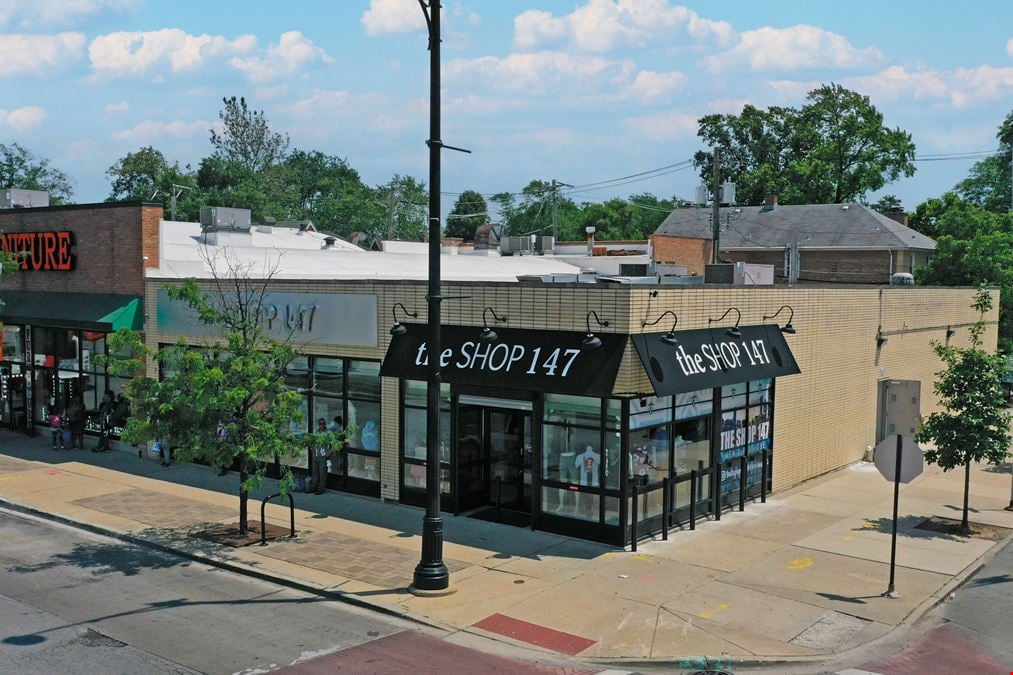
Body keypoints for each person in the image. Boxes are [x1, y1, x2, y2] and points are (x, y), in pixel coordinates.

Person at [309, 417, 332, 495]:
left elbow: (333, 443)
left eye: (323, 424)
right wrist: (312, 448)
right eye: (320, 424)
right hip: (316, 455)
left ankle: (321, 489)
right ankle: (313, 487)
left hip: (323, 456)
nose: (321, 425)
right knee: (314, 472)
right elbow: (313, 441)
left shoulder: (328, 433)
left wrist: (329, 452)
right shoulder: (317, 432)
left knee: (322, 473)